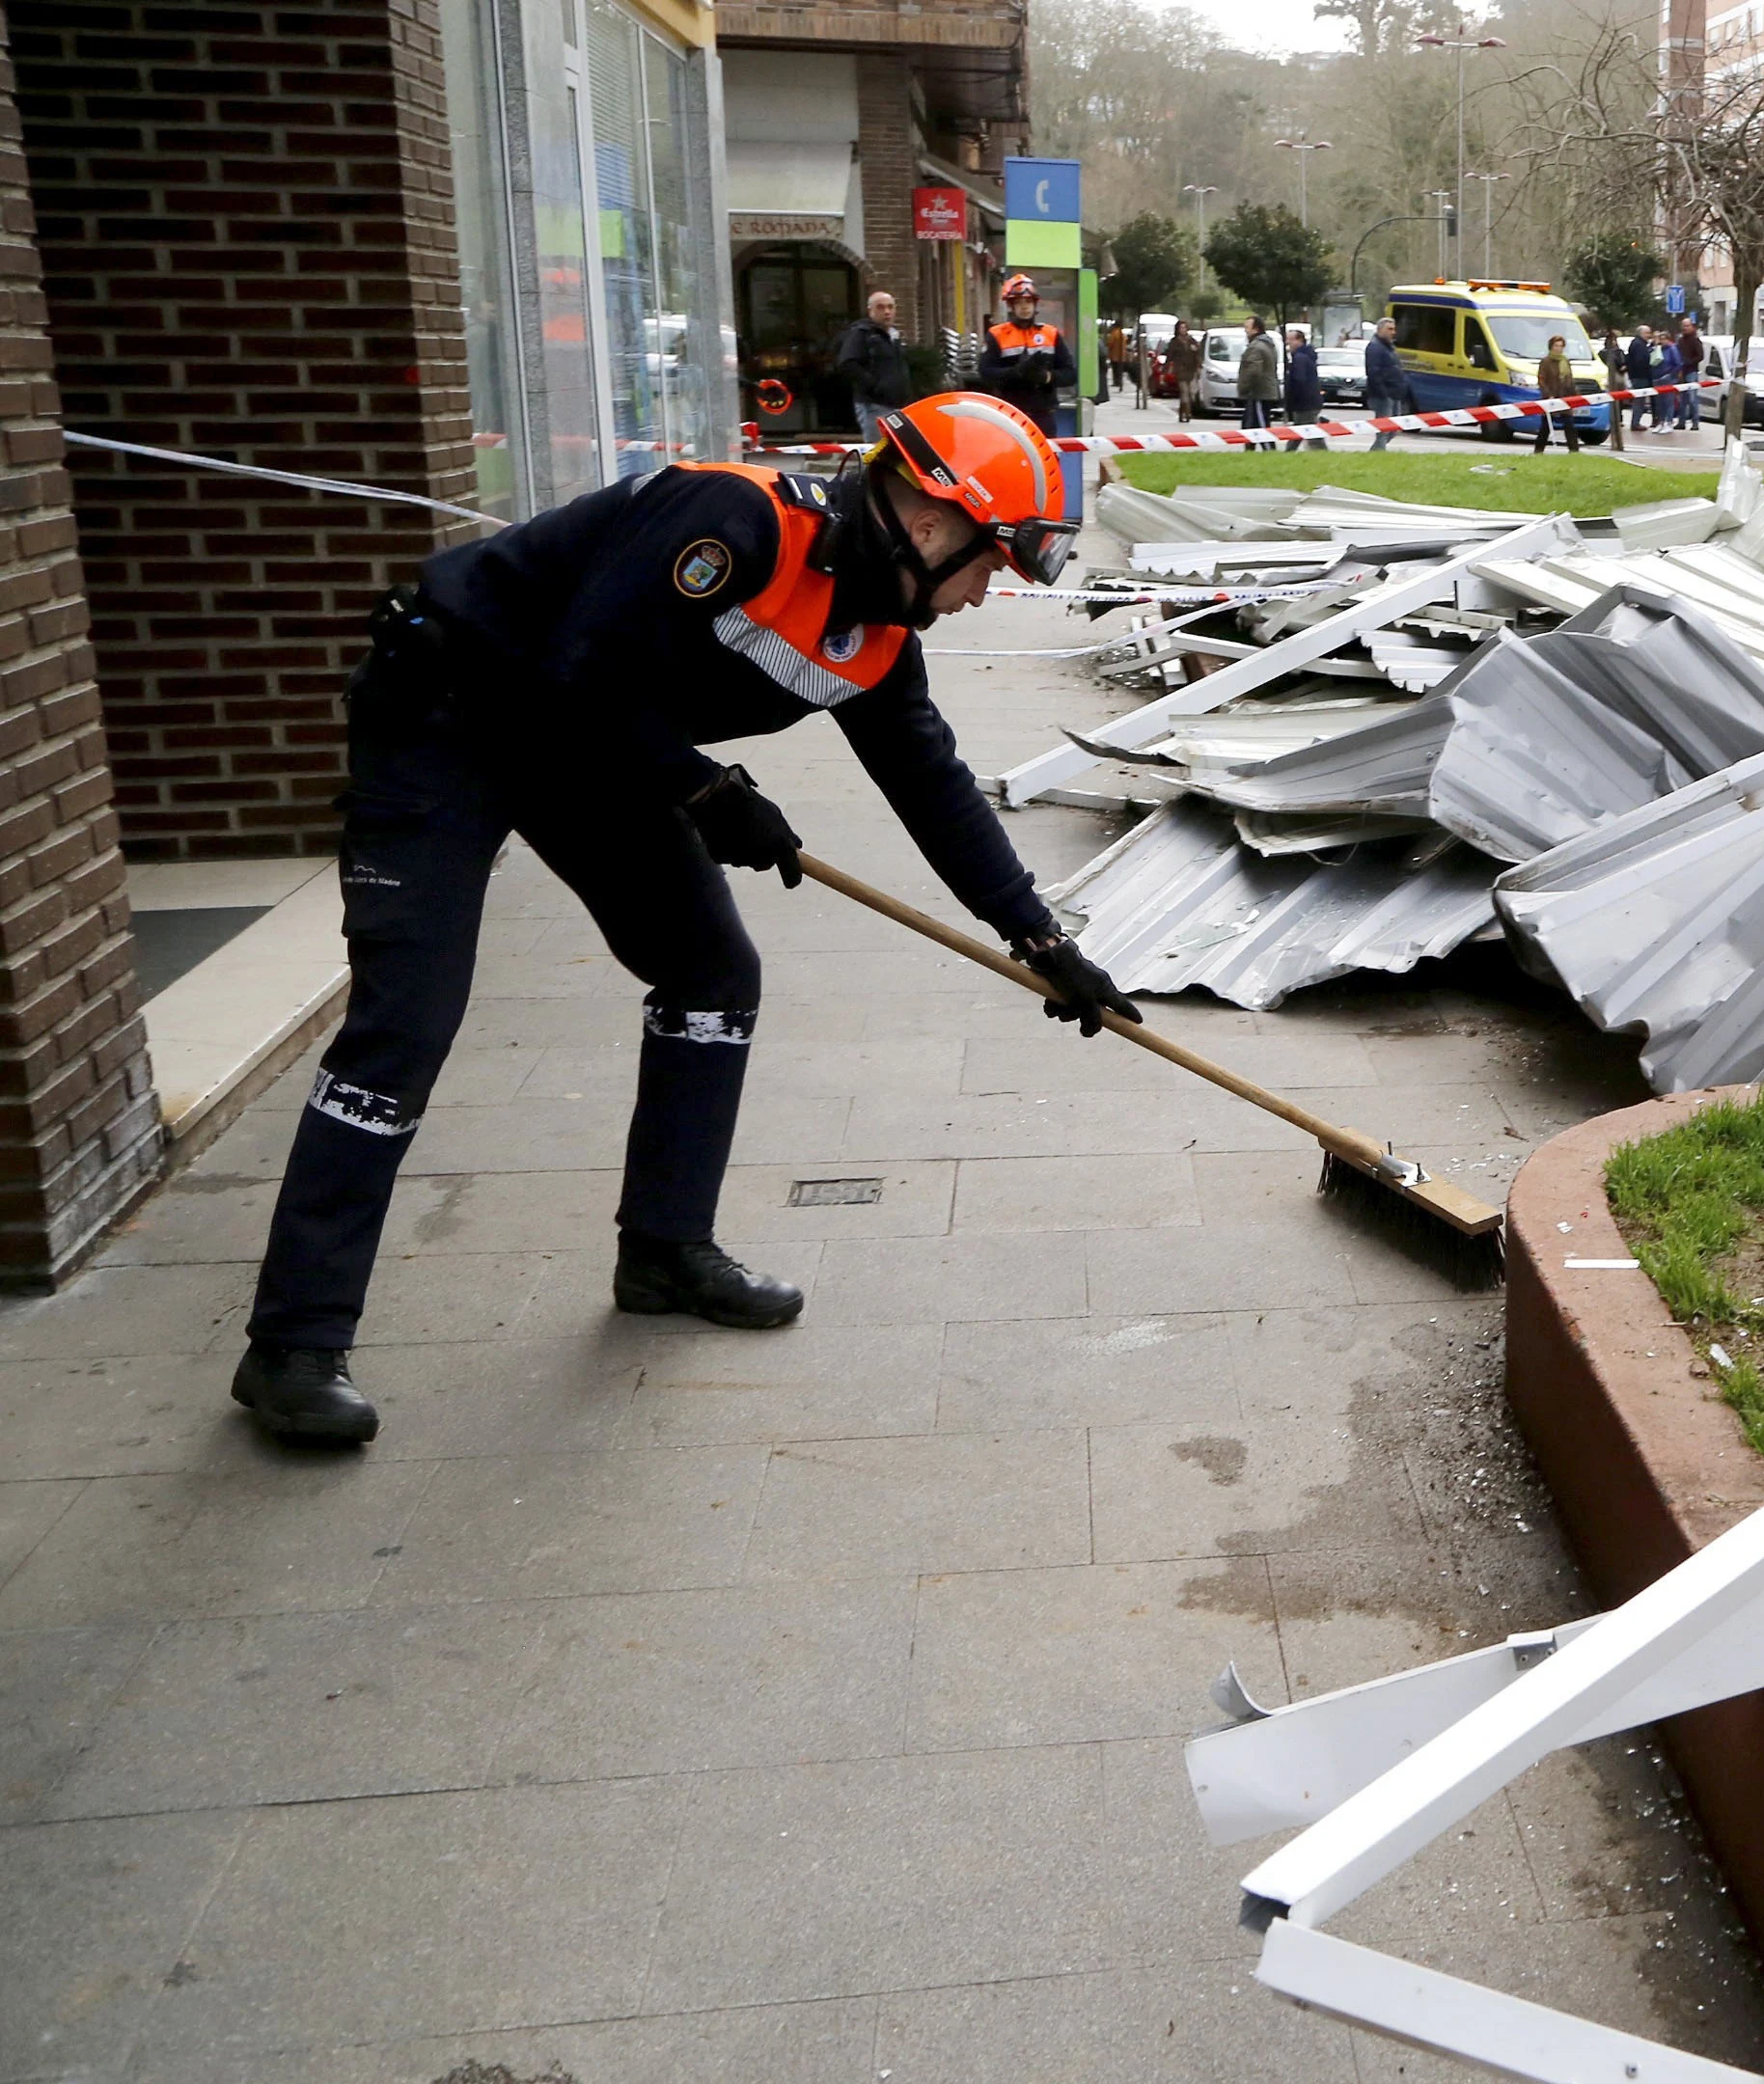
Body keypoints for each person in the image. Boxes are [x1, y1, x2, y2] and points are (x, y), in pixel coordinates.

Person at [226, 394, 1139, 1448]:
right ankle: (292, 1344)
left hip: (589, 746)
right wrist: (701, 790)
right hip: (452, 717)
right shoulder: (736, 522)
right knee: (408, 1020)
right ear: (932, 522)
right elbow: (579, 670)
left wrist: (1044, 944)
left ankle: (663, 1250)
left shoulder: (880, 635)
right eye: (992, 562)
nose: (990, 591)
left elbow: (931, 787)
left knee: (711, 974)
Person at [976, 276, 1064, 435]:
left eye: (1028, 302)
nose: (1025, 307)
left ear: (1035, 304)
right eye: (1019, 302)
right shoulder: (997, 335)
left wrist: (1047, 377)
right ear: (1011, 306)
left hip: (1043, 414)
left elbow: (1071, 373)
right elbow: (985, 372)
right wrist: (1015, 372)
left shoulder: (1051, 334)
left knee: (1047, 457)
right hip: (1009, 414)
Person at [830, 290, 911, 440]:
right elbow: (848, 363)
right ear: (870, 311)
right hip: (873, 406)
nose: (887, 312)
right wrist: (874, 385)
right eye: (880, 307)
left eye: (890, 307)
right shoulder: (861, 334)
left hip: (896, 405)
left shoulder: (893, 336)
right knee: (877, 454)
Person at [1531, 335, 1591, 452]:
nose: (1558, 348)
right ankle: (1538, 450)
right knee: (1546, 426)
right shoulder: (1546, 361)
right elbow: (1541, 379)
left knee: (1569, 424)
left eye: (1561, 346)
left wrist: (1576, 396)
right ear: (1551, 347)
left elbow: (1569, 379)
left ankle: (1574, 451)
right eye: (1556, 346)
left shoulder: (1565, 361)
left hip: (1565, 397)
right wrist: (1548, 394)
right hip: (1551, 397)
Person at [1365, 324, 1407, 452]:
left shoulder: (1389, 347)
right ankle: (1377, 452)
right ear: (1379, 330)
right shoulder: (1375, 347)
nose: (1393, 332)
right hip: (1383, 395)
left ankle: (1376, 451)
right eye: (1389, 329)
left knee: (1393, 428)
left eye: (1394, 329)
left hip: (1395, 393)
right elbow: (1373, 372)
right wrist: (1383, 392)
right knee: (1384, 428)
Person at [1234, 318, 1282, 430]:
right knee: (1250, 426)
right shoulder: (1267, 344)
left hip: (1258, 393)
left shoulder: (1256, 347)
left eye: (1247, 328)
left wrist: (1244, 388)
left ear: (1256, 329)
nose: (1245, 331)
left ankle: (1268, 448)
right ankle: (1250, 447)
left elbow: (1253, 371)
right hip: (1261, 393)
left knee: (1261, 426)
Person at [1281, 324, 1322, 446]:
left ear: (1300, 341)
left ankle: (1289, 453)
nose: (1288, 343)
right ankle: (1321, 452)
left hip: (1304, 403)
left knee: (1301, 431)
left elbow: (1299, 381)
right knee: (1308, 431)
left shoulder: (1300, 359)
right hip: (1310, 402)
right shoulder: (1305, 356)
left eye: (1291, 340)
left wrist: (1292, 401)